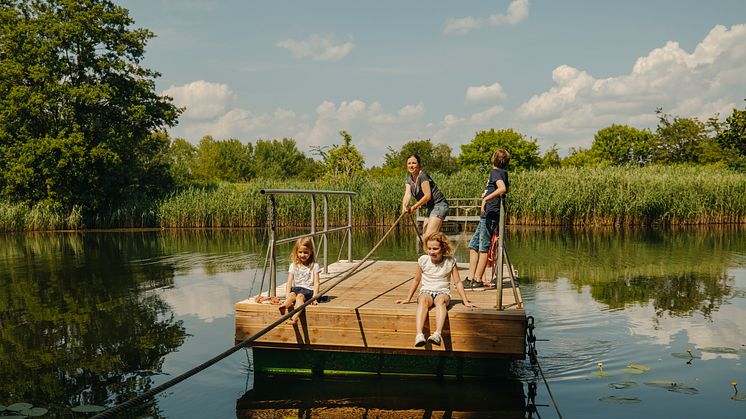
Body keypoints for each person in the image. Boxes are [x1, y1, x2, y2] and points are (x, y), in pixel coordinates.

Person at [396, 232, 476, 347]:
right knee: (422, 300)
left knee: (441, 302)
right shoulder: (423, 260)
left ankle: (437, 334)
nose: (431, 251)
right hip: (427, 291)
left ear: (443, 248)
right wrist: (408, 298)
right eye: (429, 248)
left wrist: (465, 301)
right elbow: (416, 280)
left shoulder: (450, 261)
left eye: (435, 248)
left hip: (442, 292)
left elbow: (458, 282)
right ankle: (419, 334)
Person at [463, 149, 510, 291]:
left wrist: (486, 198)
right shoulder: (503, 172)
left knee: (483, 247)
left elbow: (502, 188)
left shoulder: (495, 172)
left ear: (494, 159)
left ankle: (477, 280)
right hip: (489, 214)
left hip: (490, 214)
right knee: (473, 245)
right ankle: (471, 278)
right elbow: (503, 188)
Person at [401, 154, 449, 243]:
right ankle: (434, 255)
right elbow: (407, 194)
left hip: (439, 205)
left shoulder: (422, 176)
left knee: (429, 236)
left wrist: (414, 207)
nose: (411, 165)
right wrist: (404, 206)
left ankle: (441, 254)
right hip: (431, 208)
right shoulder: (409, 179)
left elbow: (427, 196)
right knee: (425, 237)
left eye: (414, 163)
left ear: (419, 165)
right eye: (409, 163)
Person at [279, 237, 321, 324]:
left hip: (307, 290)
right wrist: (287, 295)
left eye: (305, 252)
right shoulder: (293, 265)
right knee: (291, 295)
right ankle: (285, 305)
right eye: (300, 252)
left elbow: (316, 283)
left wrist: (314, 298)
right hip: (296, 288)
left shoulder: (314, 266)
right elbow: (289, 282)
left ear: (311, 252)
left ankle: (295, 317)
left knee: (300, 297)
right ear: (296, 252)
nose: (302, 255)